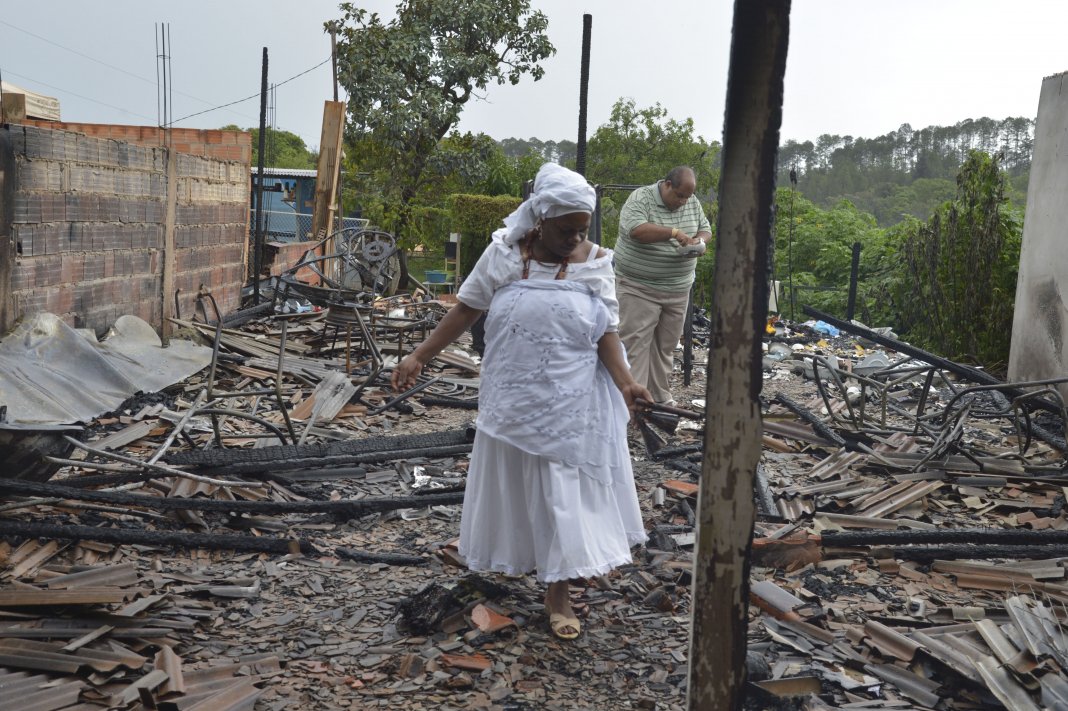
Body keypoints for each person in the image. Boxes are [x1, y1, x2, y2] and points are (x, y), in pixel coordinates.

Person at [391, 163, 651, 641]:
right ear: (539, 220)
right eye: (565, 230)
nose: (575, 239)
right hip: (513, 398)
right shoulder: (504, 255)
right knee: (520, 486)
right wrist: (419, 355)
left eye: (582, 229)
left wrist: (627, 384)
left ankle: (558, 590)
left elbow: (607, 333)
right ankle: (526, 559)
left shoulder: (595, 263)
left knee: (560, 491)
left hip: (573, 402)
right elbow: (467, 308)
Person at [614, 166, 713, 406]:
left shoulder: (691, 201)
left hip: (678, 289)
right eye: (679, 195)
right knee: (635, 344)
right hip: (639, 287)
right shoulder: (641, 198)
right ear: (667, 184)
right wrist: (674, 232)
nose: (683, 201)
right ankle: (633, 402)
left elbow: (705, 228)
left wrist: (699, 241)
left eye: (687, 197)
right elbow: (637, 231)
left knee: (665, 346)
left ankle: (658, 397)